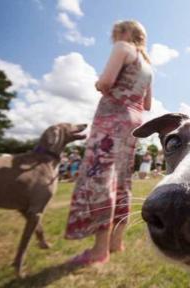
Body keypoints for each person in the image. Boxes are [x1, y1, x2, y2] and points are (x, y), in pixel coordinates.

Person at [65, 20, 153, 266]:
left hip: (112, 116)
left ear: (126, 33)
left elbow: (105, 82)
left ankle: (99, 250)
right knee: (122, 180)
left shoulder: (123, 48)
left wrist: (98, 84)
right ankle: (117, 242)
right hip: (133, 121)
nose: (114, 38)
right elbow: (147, 105)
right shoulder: (147, 65)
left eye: (117, 33)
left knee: (100, 177)